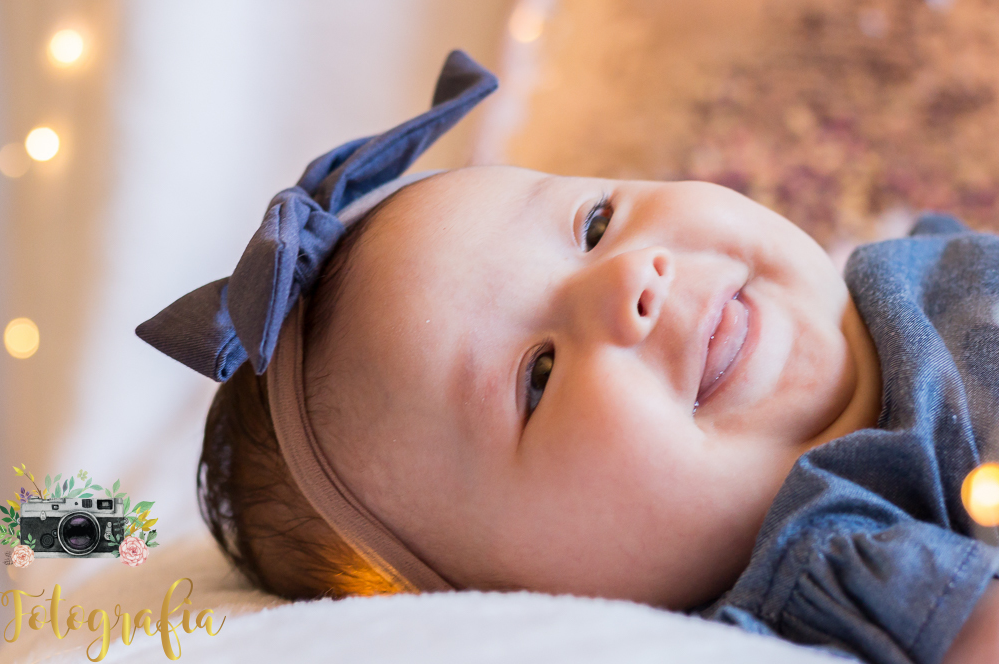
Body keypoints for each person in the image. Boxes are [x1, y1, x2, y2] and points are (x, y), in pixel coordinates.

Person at [137, 51, 999, 663]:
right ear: (543, 601)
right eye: (539, 378)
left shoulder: (919, 268)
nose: (631, 281)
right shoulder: (844, 563)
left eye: (594, 226)